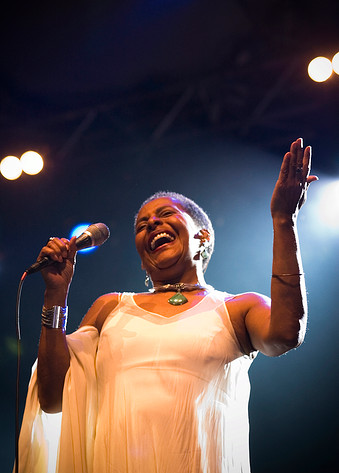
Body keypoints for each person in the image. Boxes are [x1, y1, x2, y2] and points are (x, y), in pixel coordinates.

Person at [16, 138, 317, 473]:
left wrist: (283, 220)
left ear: (203, 235)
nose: (152, 225)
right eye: (142, 226)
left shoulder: (237, 308)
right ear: (143, 261)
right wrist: (55, 295)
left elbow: (287, 333)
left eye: (165, 214)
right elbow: (53, 396)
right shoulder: (111, 308)